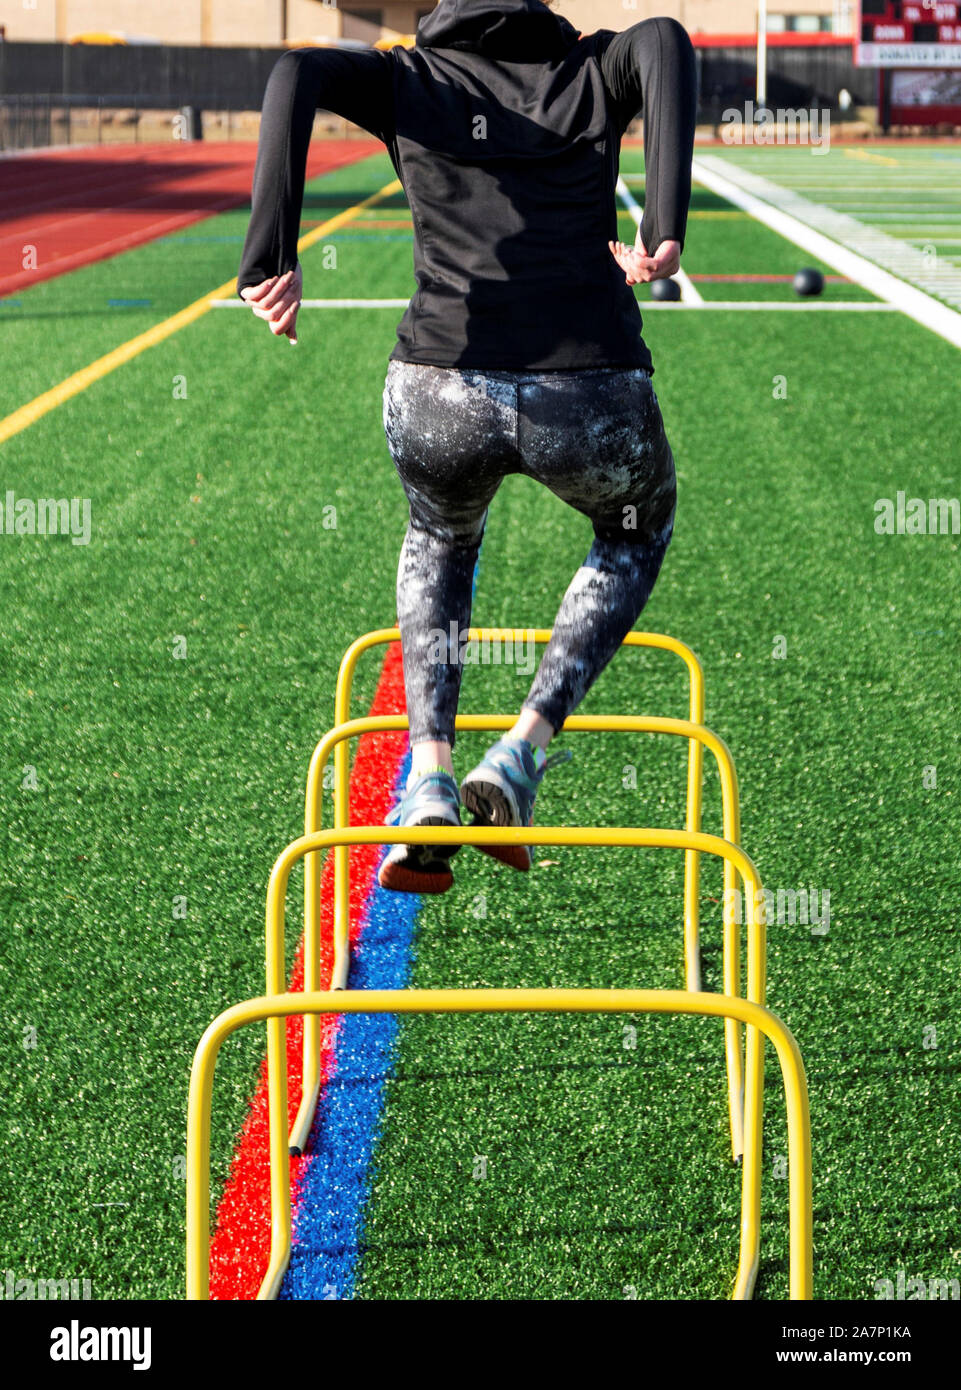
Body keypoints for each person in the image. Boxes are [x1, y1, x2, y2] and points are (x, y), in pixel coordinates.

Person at [237, 0, 698, 894]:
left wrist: (270, 254)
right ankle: (521, 755)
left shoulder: (408, 76)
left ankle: (430, 778)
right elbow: (664, 43)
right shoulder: (591, 70)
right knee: (635, 532)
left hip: (439, 388)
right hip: (588, 389)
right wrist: (663, 224)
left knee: (441, 537)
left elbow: (294, 71)